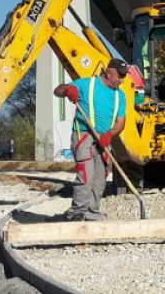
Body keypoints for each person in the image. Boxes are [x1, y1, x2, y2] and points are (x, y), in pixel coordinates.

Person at [53, 59, 129, 221]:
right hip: (85, 135)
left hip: (103, 140)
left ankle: (92, 213)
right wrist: (69, 89)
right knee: (86, 177)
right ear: (109, 72)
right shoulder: (87, 84)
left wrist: (109, 135)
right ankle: (77, 213)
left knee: (100, 180)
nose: (122, 80)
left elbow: (121, 122)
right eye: (120, 75)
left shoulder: (120, 96)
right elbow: (57, 90)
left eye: (124, 76)